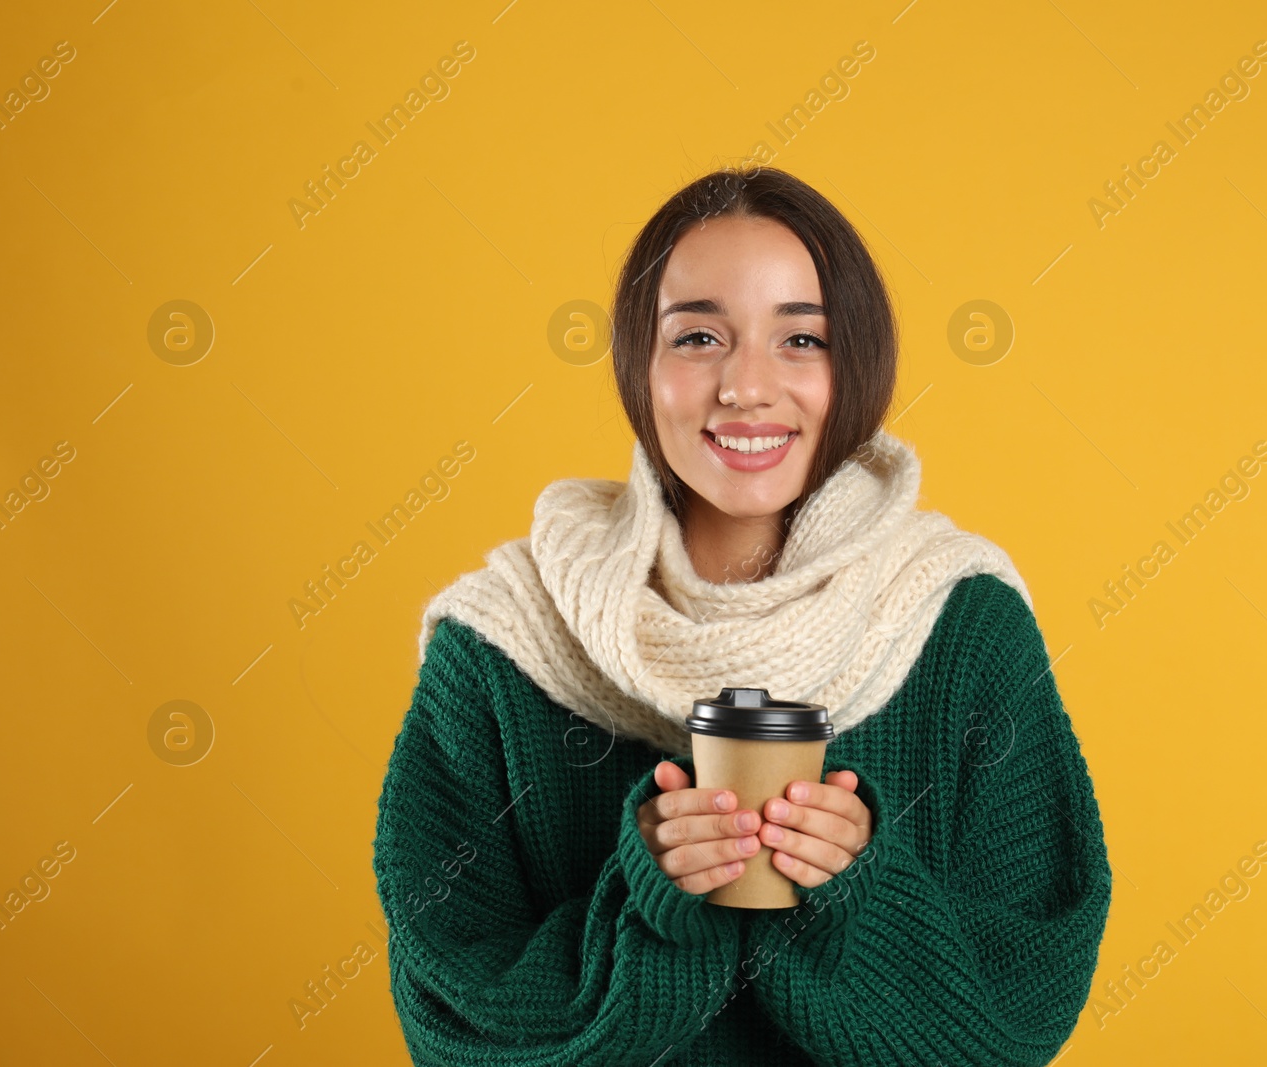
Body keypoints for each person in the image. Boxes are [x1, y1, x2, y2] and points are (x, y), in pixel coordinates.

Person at [372, 165, 1112, 1065]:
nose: (747, 387)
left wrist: (861, 898)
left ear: (859, 364)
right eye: (698, 338)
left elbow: (1022, 1013)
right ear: (638, 367)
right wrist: (648, 904)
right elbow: (453, 1029)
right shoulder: (501, 644)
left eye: (801, 339)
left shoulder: (963, 622)